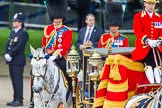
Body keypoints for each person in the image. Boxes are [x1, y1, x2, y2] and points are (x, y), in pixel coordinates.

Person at [29, 0, 72, 107]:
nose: (56, 19)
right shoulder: (48, 29)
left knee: (69, 75)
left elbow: (66, 46)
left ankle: (73, 98)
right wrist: (43, 55)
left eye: (58, 17)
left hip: (60, 57)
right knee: (33, 74)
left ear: (62, 17)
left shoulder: (67, 31)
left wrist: (56, 55)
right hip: (47, 57)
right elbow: (44, 44)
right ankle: (33, 99)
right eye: (55, 17)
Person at [131, 0, 162, 84]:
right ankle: (151, 84)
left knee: (157, 67)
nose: (151, 6)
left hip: (157, 47)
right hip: (144, 47)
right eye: (149, 4)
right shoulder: (138, 16)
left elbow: (161, 32)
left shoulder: (159, 17)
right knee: (148, 66)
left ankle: (159, 84)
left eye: (153, 4)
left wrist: (159, 41)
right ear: (145, 4)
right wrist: (148, 41)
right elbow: (138, 32)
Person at [4, 12, 29, 107]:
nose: (14, 22)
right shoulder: (13, 32)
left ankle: (19, 99)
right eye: (13, 21)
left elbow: (19, 47)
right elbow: (8, 44)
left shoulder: (23, 33)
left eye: (16, 21)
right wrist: (5, 53)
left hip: (18, 61)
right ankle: (15, 98)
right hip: (11, 60)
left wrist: (10, 54)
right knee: (13, 80)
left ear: (21, 22)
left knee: (18, 81)